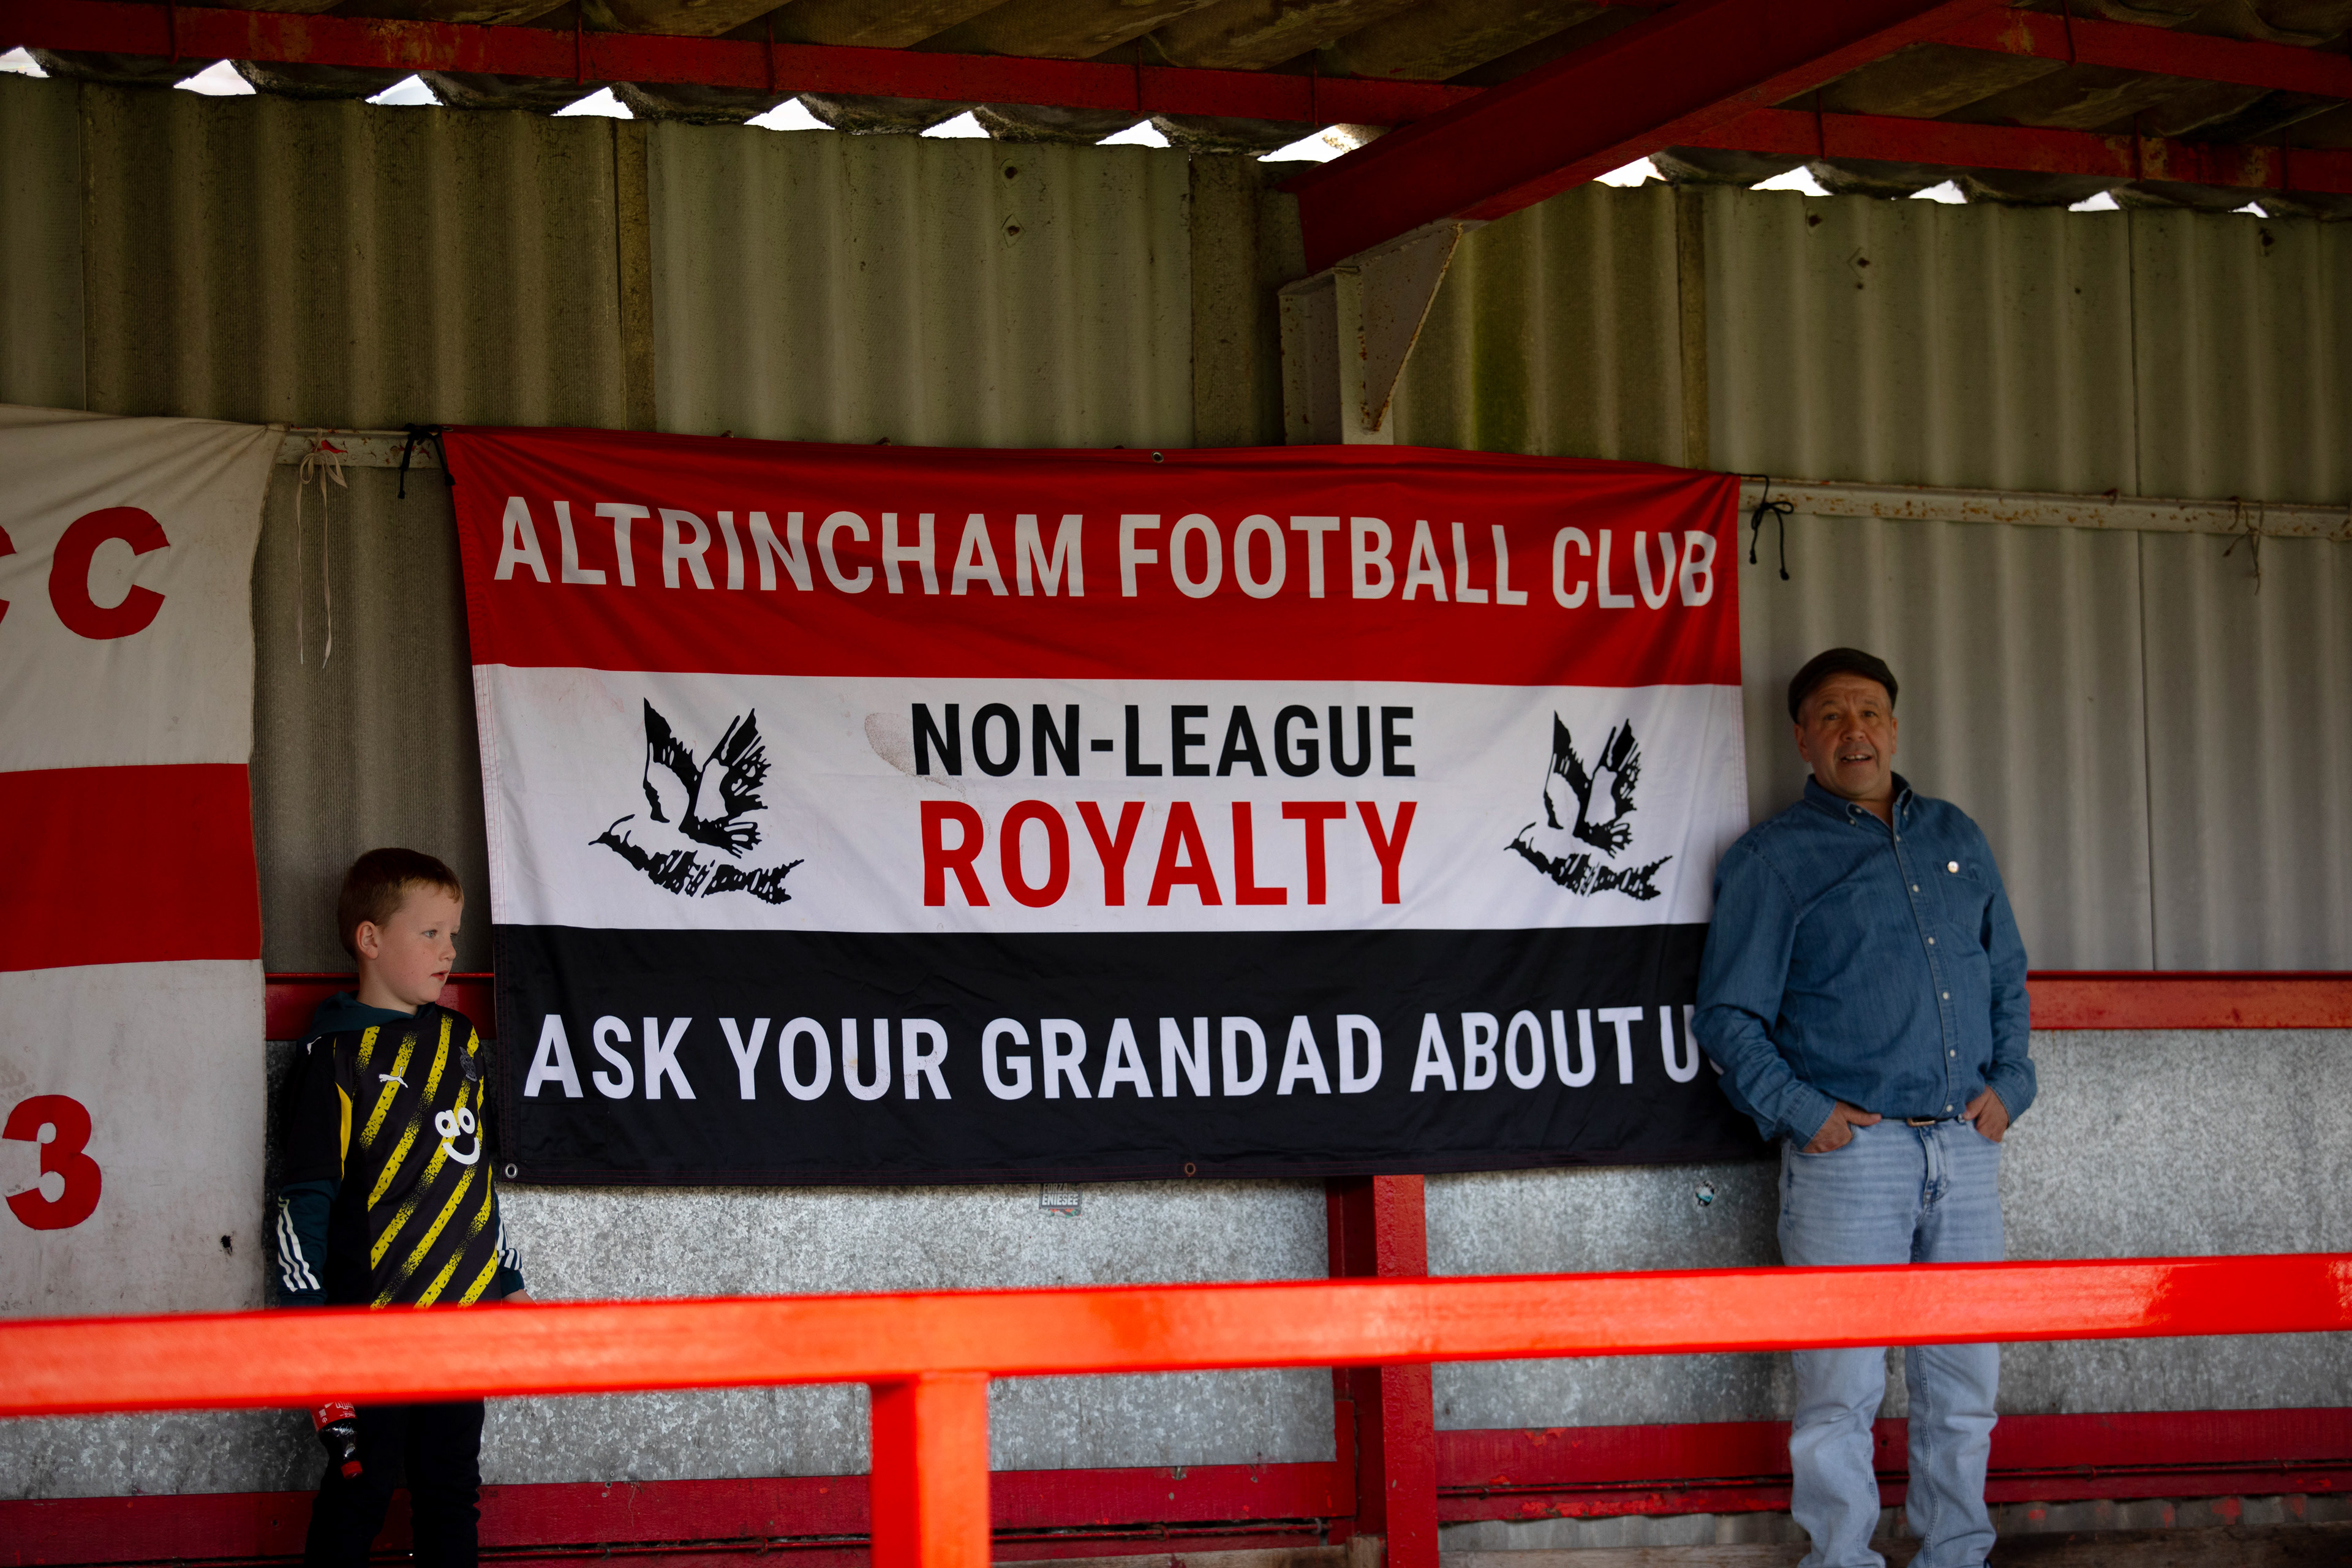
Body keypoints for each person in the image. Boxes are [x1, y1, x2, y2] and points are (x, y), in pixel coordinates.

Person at [1694, 649, 2035, 1568]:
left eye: (1871, 712)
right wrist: (1806, 1115)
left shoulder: (1956, 835)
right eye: (1833, 715)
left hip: (1966, 1146)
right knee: (1839, 1389)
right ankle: (1841, 1558)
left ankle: (1956, 1553)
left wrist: (2012, 1087)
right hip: (1854, 1159)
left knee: (1963, 1381)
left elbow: (2006, 975)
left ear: (1893, 726)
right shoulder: (1773, 858)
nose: (1856, 731)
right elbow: (1727, 1016)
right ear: (1802, 739)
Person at [276, 848, 530, 1568]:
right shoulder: (332, 1055)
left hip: (459, 1320)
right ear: (370, 938)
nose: (449, 951)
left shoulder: (461, 1041)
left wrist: (507, 1278)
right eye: (430, 933)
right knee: (361, 1488)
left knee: (451, 1492)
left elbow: (470, 1180)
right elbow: (304, 1201)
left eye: (454, 934)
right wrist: (306, 1327)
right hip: (371, 1325)